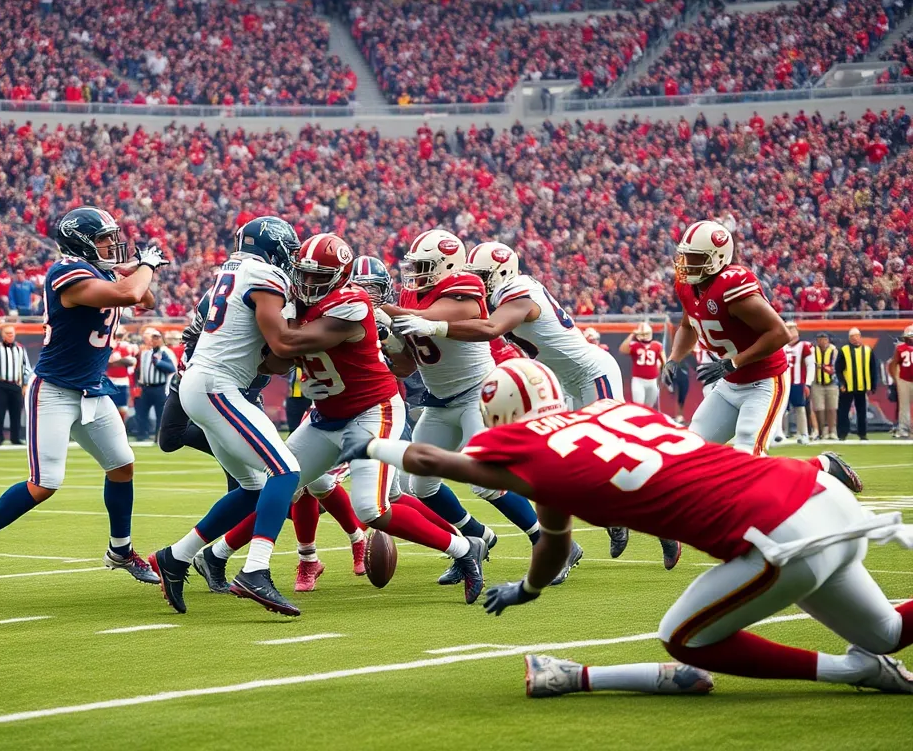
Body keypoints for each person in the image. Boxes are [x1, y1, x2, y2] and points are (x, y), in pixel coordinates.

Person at [337, 358, 911, 698]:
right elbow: (555, 537)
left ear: (502, 417)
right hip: (819, 494)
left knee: (683, 637)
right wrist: (530, 586)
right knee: (885, 630)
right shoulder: (619, 411)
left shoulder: (535, 451)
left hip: (778, 535)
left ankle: (851, 671)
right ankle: (873, 660)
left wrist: (371, 445)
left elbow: (436, 460)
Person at [204, 233, 486, 603]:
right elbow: (275, 363)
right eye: (304, 274)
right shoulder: (292, 299)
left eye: (319, 277)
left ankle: (464, 549)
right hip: (325, 414)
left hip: (371, 411)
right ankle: (216, 555)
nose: (308, 283)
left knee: (371, 509)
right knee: (281, 485)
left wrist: (275, 330)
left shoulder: (350, 303)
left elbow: (288, 346)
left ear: (340, 277)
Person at [0, 207, 169, 597]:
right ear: (81, 243)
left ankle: (120, 550)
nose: (111, 245)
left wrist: (127, 268)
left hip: (92, 389)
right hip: (56, 390)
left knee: (122, 465)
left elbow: (144, 298)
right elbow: (132, 294)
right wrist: (144, 265)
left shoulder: (99, 271)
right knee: (44, 484)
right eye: (103, 239)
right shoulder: (66, 272)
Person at [148, 216, 311, 616]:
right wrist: (329, 334)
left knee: (253, 487)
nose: (291, 260)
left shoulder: (235, 271)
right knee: (286, 472)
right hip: (217, 385)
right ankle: (256, 570)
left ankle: (176, 557)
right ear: (274, 249)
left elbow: (271, 359)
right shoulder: (266, 276)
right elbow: (280, 346)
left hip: (206, 383)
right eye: (288, 252)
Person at [373, 234, 545, 582]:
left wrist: (384, 311)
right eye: (414, 266)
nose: (416, 273)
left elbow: (433, 316)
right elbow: (407, 366)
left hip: (477, 397)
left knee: (483, 481)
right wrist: (387, 342)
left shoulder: (464, 286)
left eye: (424, 266)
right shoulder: (409, 297)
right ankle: (477, 537)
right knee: (421, 486)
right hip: (440, 403)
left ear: (447, 265)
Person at [662, 221, 790, 457]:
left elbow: (780, 333)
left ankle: (822, 466)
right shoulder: (687, 286)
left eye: (695, 257)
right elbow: (688, 326)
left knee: (747, 453)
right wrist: (674, 358)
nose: (686, 263)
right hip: (729, 384)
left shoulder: (731, 287)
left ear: (717, 258)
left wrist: (734, 362)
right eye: (685, 256)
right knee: (691, 450)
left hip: (764, 381)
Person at [0, 323, 33, 445]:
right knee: (0, 412)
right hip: (1, 384)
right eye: (8, 334)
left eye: (12, 334)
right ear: (3, 336)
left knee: (16, 412)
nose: (10, 336)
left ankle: (15, 438)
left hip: (16, 384)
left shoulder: (20, 349)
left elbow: (27, 367)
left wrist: (25, 384)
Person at [836, 327, 878, 442]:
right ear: (849, 338)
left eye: (856, 336)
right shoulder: (844, 350)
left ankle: (862, 434)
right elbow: (838, 369)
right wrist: (841, 383)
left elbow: (873, 369)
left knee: (862, 411)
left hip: (862, 386)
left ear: (860, 337)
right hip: (847, 386)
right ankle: (842, 434)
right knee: (843, 411)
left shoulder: (868, 350)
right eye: (852, 336)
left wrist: (873, 385)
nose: (854, 338)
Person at [133, 329, 175, 441]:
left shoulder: (164, 353)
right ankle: (142, 435)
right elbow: (139, 370)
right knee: (141, 413)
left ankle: (159, 437)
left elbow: (172, 368)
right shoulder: (145, 353)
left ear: (161, 339)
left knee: (160, 414)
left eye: (157, 338)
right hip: (145, 387)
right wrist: (138, 383)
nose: (154, 341)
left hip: (159, 387)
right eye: (153, 338)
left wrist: (158, 363)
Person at [782, 322, 815, 445]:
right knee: (781, 410)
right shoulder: (782, 346)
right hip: (784, 382)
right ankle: (781, 434)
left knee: (800, 408)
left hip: (798, 382)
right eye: (788, 329)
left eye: (792, 329)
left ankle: (803, 433)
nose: (790, 332)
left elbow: (811, 365)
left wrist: (808, 383)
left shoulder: (804, 346)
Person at [620, 322, 664, 407]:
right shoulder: (635, 345)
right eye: (643, 334)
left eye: (647, 334)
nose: (645, 336)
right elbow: (623, 350)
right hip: (639, 380)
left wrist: (661, 372)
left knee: (649, 407)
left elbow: (664, 362)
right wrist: (632, 334)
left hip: (652, 381)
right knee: (638, 406)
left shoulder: (657, 345)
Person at [105, 331, 138, 428]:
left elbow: (131, 361)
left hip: (122, 380)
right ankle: (109, 428)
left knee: (122, 407)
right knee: (107, 407)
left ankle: (120, 428)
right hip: (109, 380)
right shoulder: (108, 345)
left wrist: (113, 363)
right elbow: (104, 362)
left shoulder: (127, 346)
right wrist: (118, 362)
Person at [812, 332, 840, 441]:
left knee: (832, 408)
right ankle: (822, 431)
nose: (822, 342)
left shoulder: (834, 350)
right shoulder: (813, 350)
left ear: (828, 340)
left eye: (824, 339)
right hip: (817, 383)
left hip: (831, 383)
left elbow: (837, 366)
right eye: (820, 339)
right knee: (819, 409)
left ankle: (832, 431)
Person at [889, 325, 913, 439]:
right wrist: (896, 379)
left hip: (905, 379)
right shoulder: (900, 348)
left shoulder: (900, 348)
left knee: (904, 406)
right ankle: (903, 429)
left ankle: (904, 429)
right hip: (904, 379)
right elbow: (893, 364)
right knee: (904, 406)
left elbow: (892, 364)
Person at [283, 366, 311, 432]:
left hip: (306, 398)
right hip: (292, 398)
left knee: (305, 426)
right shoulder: (292, 366)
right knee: (293, 427)